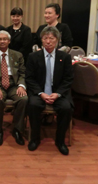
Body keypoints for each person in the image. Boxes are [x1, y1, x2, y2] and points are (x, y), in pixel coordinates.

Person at [26, 26, 73, 155]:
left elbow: (68, 79)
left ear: (57, 40)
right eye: (45, 38)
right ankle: (35, 139)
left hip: (58, 93)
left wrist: (57, 94)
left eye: (51, 38)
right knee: (33, 105)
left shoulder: (64, 57)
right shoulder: (33, 56)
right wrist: (41, 94)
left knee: (66, 108)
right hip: (39, 92)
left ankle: (60, 141)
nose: (48, 41)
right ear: (41, 40)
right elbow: (29, 79)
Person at [0, 30, 28, 146]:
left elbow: (23, 73)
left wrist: (21, 85)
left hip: (14, 84)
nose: (2, 41)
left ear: (9, 41)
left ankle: (17, 129)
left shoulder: (18, 55)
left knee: (23, 99)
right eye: (0, 39)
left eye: (5, 39)